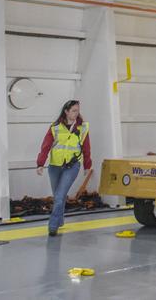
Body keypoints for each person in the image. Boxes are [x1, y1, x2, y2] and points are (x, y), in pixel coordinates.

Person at [36, 99, 91, 237]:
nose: (76, 113)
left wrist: (87, 165)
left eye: (77, 110)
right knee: (57, 197)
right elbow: (45, 146)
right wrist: (40, 163)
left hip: (72, 166)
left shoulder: (82, 128)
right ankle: (60, 220)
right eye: (73, 110)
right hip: (55, 166)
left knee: (60, 196)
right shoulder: (55, 127)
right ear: (66, 111)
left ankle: (52, 226)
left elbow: (86, 148)